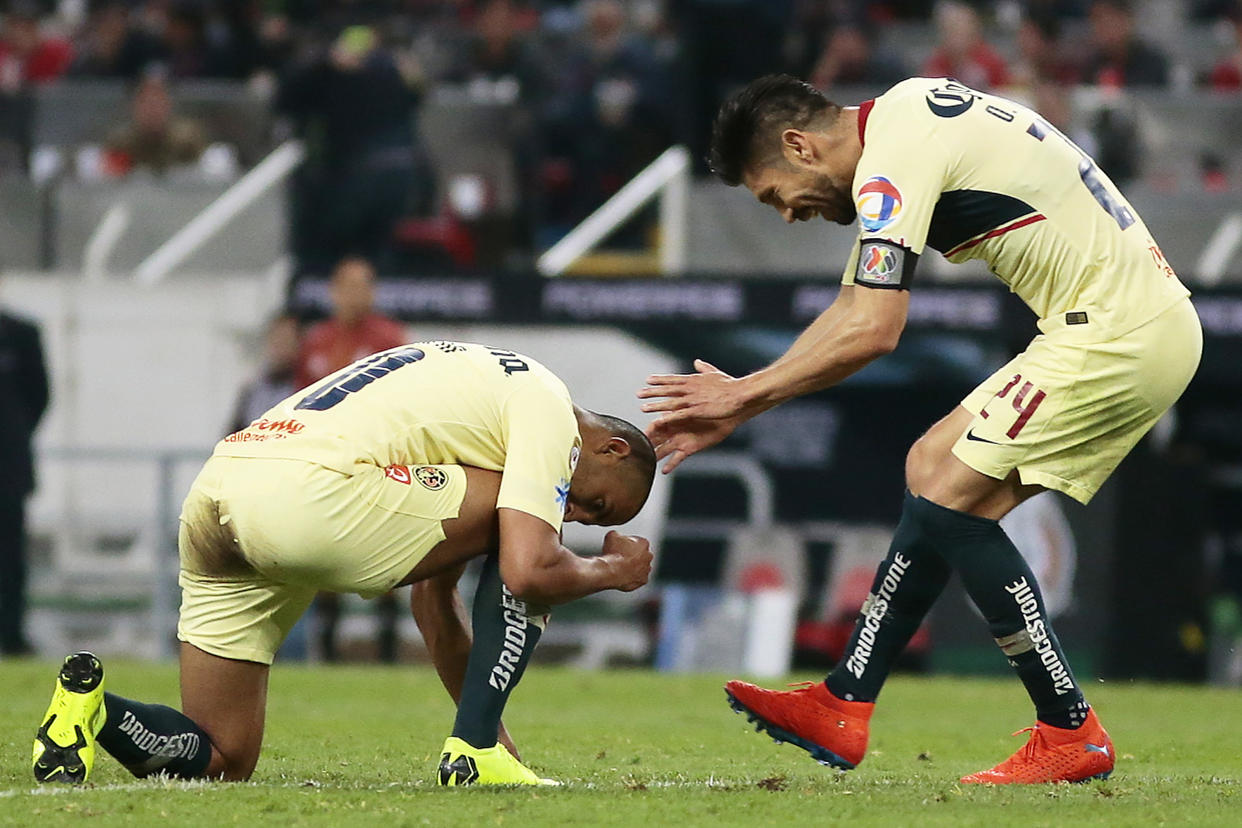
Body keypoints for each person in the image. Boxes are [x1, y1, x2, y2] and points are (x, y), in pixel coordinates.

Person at [638, 74, 1200, 784]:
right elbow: (852, 309)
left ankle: (1068, 729)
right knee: (936, 475)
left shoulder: (891, 158)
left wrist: (742, 394)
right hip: (1131, 324)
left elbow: (875, 329)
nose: (787, 215)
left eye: (774, 194)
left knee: (941, 485)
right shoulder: (901, 128)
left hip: (1118, 332)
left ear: (798, 146)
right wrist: (743, 402)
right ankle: (843, 703)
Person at [34, 340, 656, 786]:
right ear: (611, 446)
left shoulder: (480, 402)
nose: (576, 514)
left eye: (593, 522)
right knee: (529, 540)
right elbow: (526, 572)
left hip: (222, 487)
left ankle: (91, 710)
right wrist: (612, 571)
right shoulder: (550, 406)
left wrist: (490, 734)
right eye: (596, 503)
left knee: (224, 758)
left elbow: (434, 605)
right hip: (309, 493)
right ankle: (473, 754)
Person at [297, 257, 408, 663]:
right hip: (325, 469)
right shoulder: (316, 342)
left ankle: (388, 656)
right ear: (333, 291)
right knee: (326, 559)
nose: (355, 295)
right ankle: (325, 655)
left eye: (364, 286)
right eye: (348, 286)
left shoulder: (390, 339)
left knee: (389, 560)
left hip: (377, 465)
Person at [0, 304, 49, 656]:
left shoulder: (21, 334)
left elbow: (40, 396)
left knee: (10, 556)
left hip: (7, 469)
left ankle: (11, 634)